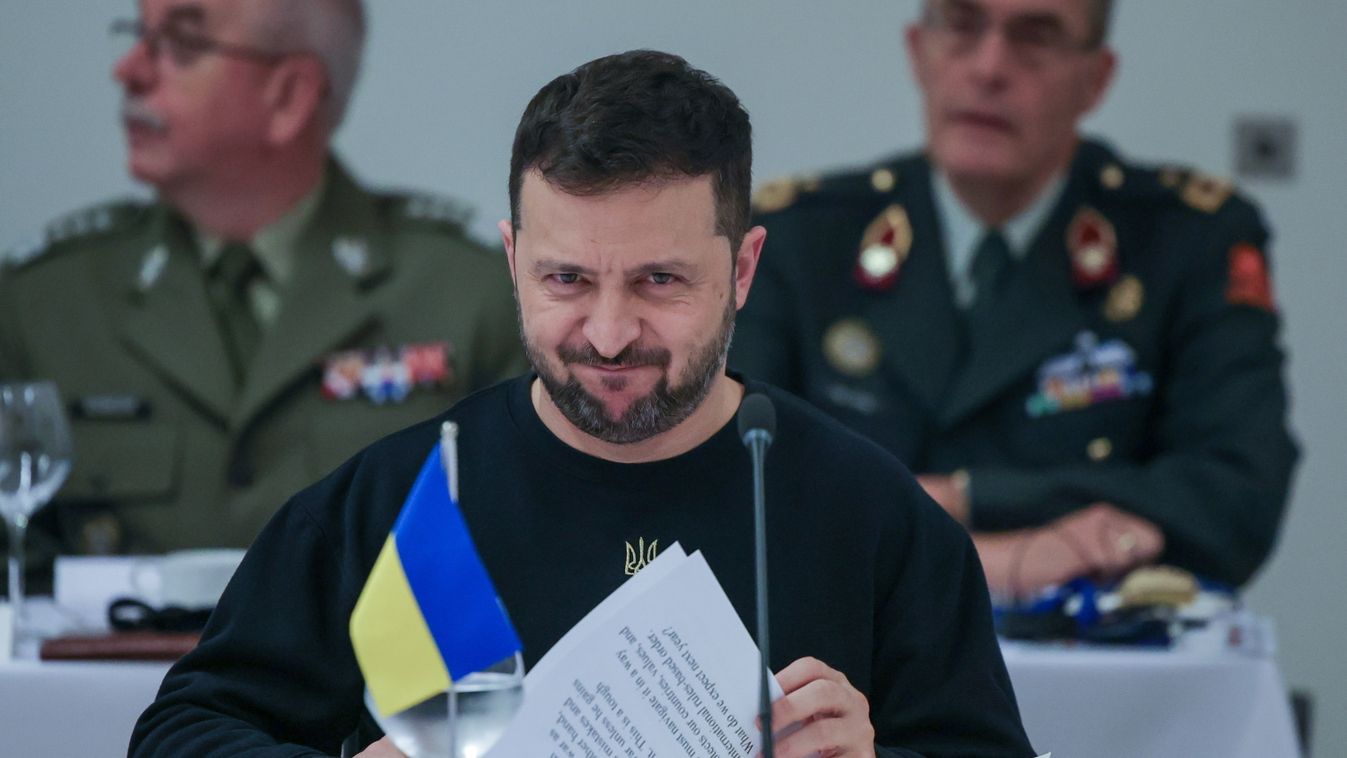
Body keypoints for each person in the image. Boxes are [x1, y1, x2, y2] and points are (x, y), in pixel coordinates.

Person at [129, 50, 1035, 758]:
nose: (607, 334)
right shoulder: (404, 499)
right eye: (566, 278)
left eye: (659, 281)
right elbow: (179, 735)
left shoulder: (874, 517)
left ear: (744, 270)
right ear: (512, 258)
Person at [730, 0, 1298, 596]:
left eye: (1036, 36)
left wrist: (966, 497)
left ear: (1095, 79)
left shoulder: (1186, 240)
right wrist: (1008, 558)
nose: (989, 67)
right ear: (918, 51)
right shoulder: (803, 238)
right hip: (850, 666)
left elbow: (1238, 498)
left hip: (1102, 672)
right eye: (962, 24)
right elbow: (739, 488)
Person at [0, 0, 523, 569]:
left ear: (289, 95)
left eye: (181, 43)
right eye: (137, 35)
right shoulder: (40, 301)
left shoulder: (474, 294)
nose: (127, 69)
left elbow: (523, 554)